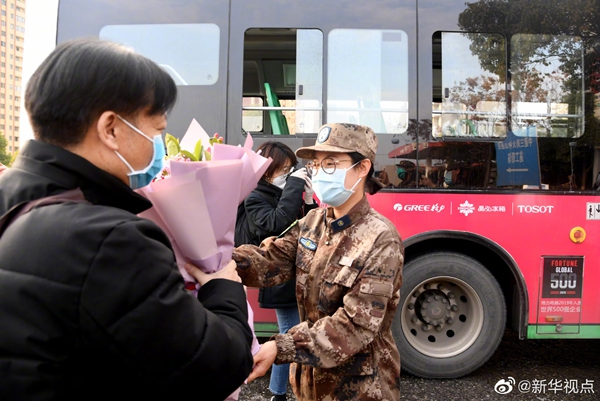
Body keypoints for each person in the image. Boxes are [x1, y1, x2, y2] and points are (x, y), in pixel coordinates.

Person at [0, 38, 253, 401]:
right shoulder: (109, 240)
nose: (158, 147)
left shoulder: (12, 195)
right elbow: (212, 368)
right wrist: (223, 288)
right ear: (111, 129)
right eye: (156, 131)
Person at [190, 123, 404, 400]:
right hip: (309, 383)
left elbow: (356, 324)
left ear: (362, 168)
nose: (318, 172)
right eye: (315, 164)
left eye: (330, 163)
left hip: (360, 388)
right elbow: (269, 261)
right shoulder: (314, 222)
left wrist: (282, 346)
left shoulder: (381, 238)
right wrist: (207, 255)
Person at [235, 141, 317, 401]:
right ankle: (278, 394)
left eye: (291, 169)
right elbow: (275, 224)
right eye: (284, 169)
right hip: (279, 280)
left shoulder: (282, 193)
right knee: (289, 337)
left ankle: (279, 393)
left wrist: (308, 201)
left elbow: (311, 228)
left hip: (300, 276)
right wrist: (293, 187)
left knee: (292, 335)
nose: (289, 174)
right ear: (267, 171)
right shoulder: (254, 196)